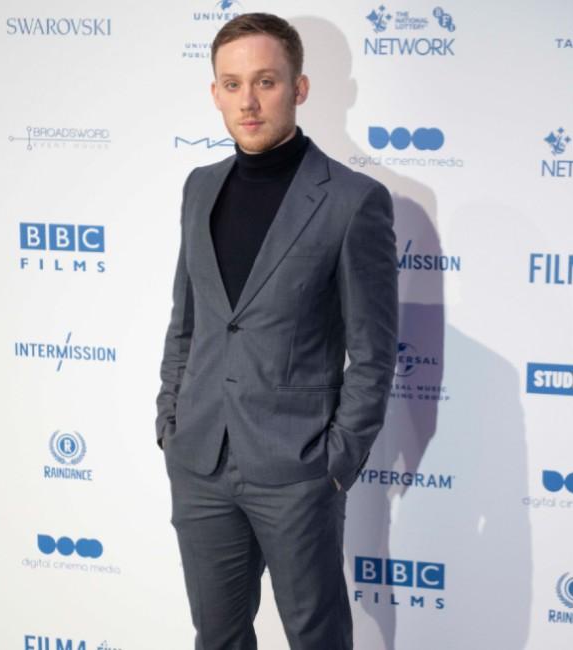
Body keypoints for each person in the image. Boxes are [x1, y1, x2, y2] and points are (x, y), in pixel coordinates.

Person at [155, 12, 398, 650]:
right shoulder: (200, 188)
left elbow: (374, 354)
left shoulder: (352, 201)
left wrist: (335, 464)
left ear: (299, 87)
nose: (248, 101)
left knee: (316, 638)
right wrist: (170, 420)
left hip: (298, 468)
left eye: (265, 81)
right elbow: (187, 320)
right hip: (200, 460)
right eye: (232, 84)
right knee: (217, 637)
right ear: (215, 93)